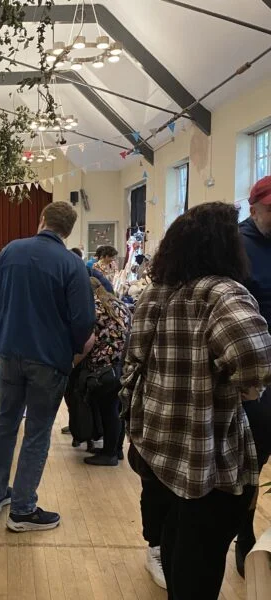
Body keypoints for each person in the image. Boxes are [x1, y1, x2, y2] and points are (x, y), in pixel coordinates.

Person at [121, 202, 271, 599]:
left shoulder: (156, 293)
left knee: (178, 548)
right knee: (201, 561)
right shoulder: (223, 294)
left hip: (160, 443)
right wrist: (251, 389)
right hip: (208, 453)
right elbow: (255, 359)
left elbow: (133, 357)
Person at [0, 201, 96, 532]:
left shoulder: (10, 251)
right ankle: (23, 509)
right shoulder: (72, 265)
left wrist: (4, 329)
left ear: (42, 219)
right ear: (68, 230)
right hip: (48, 358)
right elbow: (84, 319)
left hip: (8, 352)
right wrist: (72, 350)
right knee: (36, 431)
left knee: (4, 422)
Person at [235, 175, 271, 576]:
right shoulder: (238, 246)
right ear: (254, 206)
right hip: (257, 372)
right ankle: (243, 535)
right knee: (252, 463)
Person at [83, 277, 131, 466]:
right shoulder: (118, 304)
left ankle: (109, 453)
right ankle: (116, 449)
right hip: (122, 363)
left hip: (103, 366)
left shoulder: (92, 308)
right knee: (117, 408)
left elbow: (88, 339)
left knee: (108, 410)